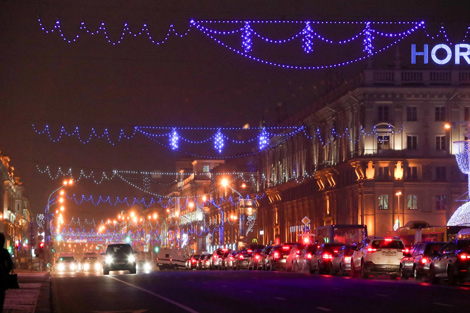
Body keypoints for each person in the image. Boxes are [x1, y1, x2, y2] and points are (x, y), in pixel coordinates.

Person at [0, 233, 14, 312]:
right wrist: (6, 271)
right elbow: (10, 264)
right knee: (1, 298)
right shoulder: (4, 252)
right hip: (2, 278)